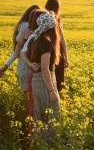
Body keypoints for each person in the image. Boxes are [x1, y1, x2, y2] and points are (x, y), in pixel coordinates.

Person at [29, 12, 61, 140]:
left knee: (40, 115)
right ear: (50, 27)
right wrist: (52, 90)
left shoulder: (35, 39)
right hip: (44, 82)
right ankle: (48, 143)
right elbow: (45, 69)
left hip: (36, 81)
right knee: (52, 116)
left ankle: (38, 142)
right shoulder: (46, 44)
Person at [0, 5, 40, 93]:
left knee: (27, 94)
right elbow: (18, 50)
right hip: (29, 65)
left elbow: (17, 51)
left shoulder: (22, 24)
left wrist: (5, 66)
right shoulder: (27, 26)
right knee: (29, 95)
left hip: (24, 64)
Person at [45, 0, 69, 92]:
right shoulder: (57, 19)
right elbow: (62, 39)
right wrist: (66, 58)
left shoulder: (42, 17)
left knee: (48, 78)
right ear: (57, 8)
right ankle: (58, 101)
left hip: (44, 51)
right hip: (57, 51)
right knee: (59, 80)